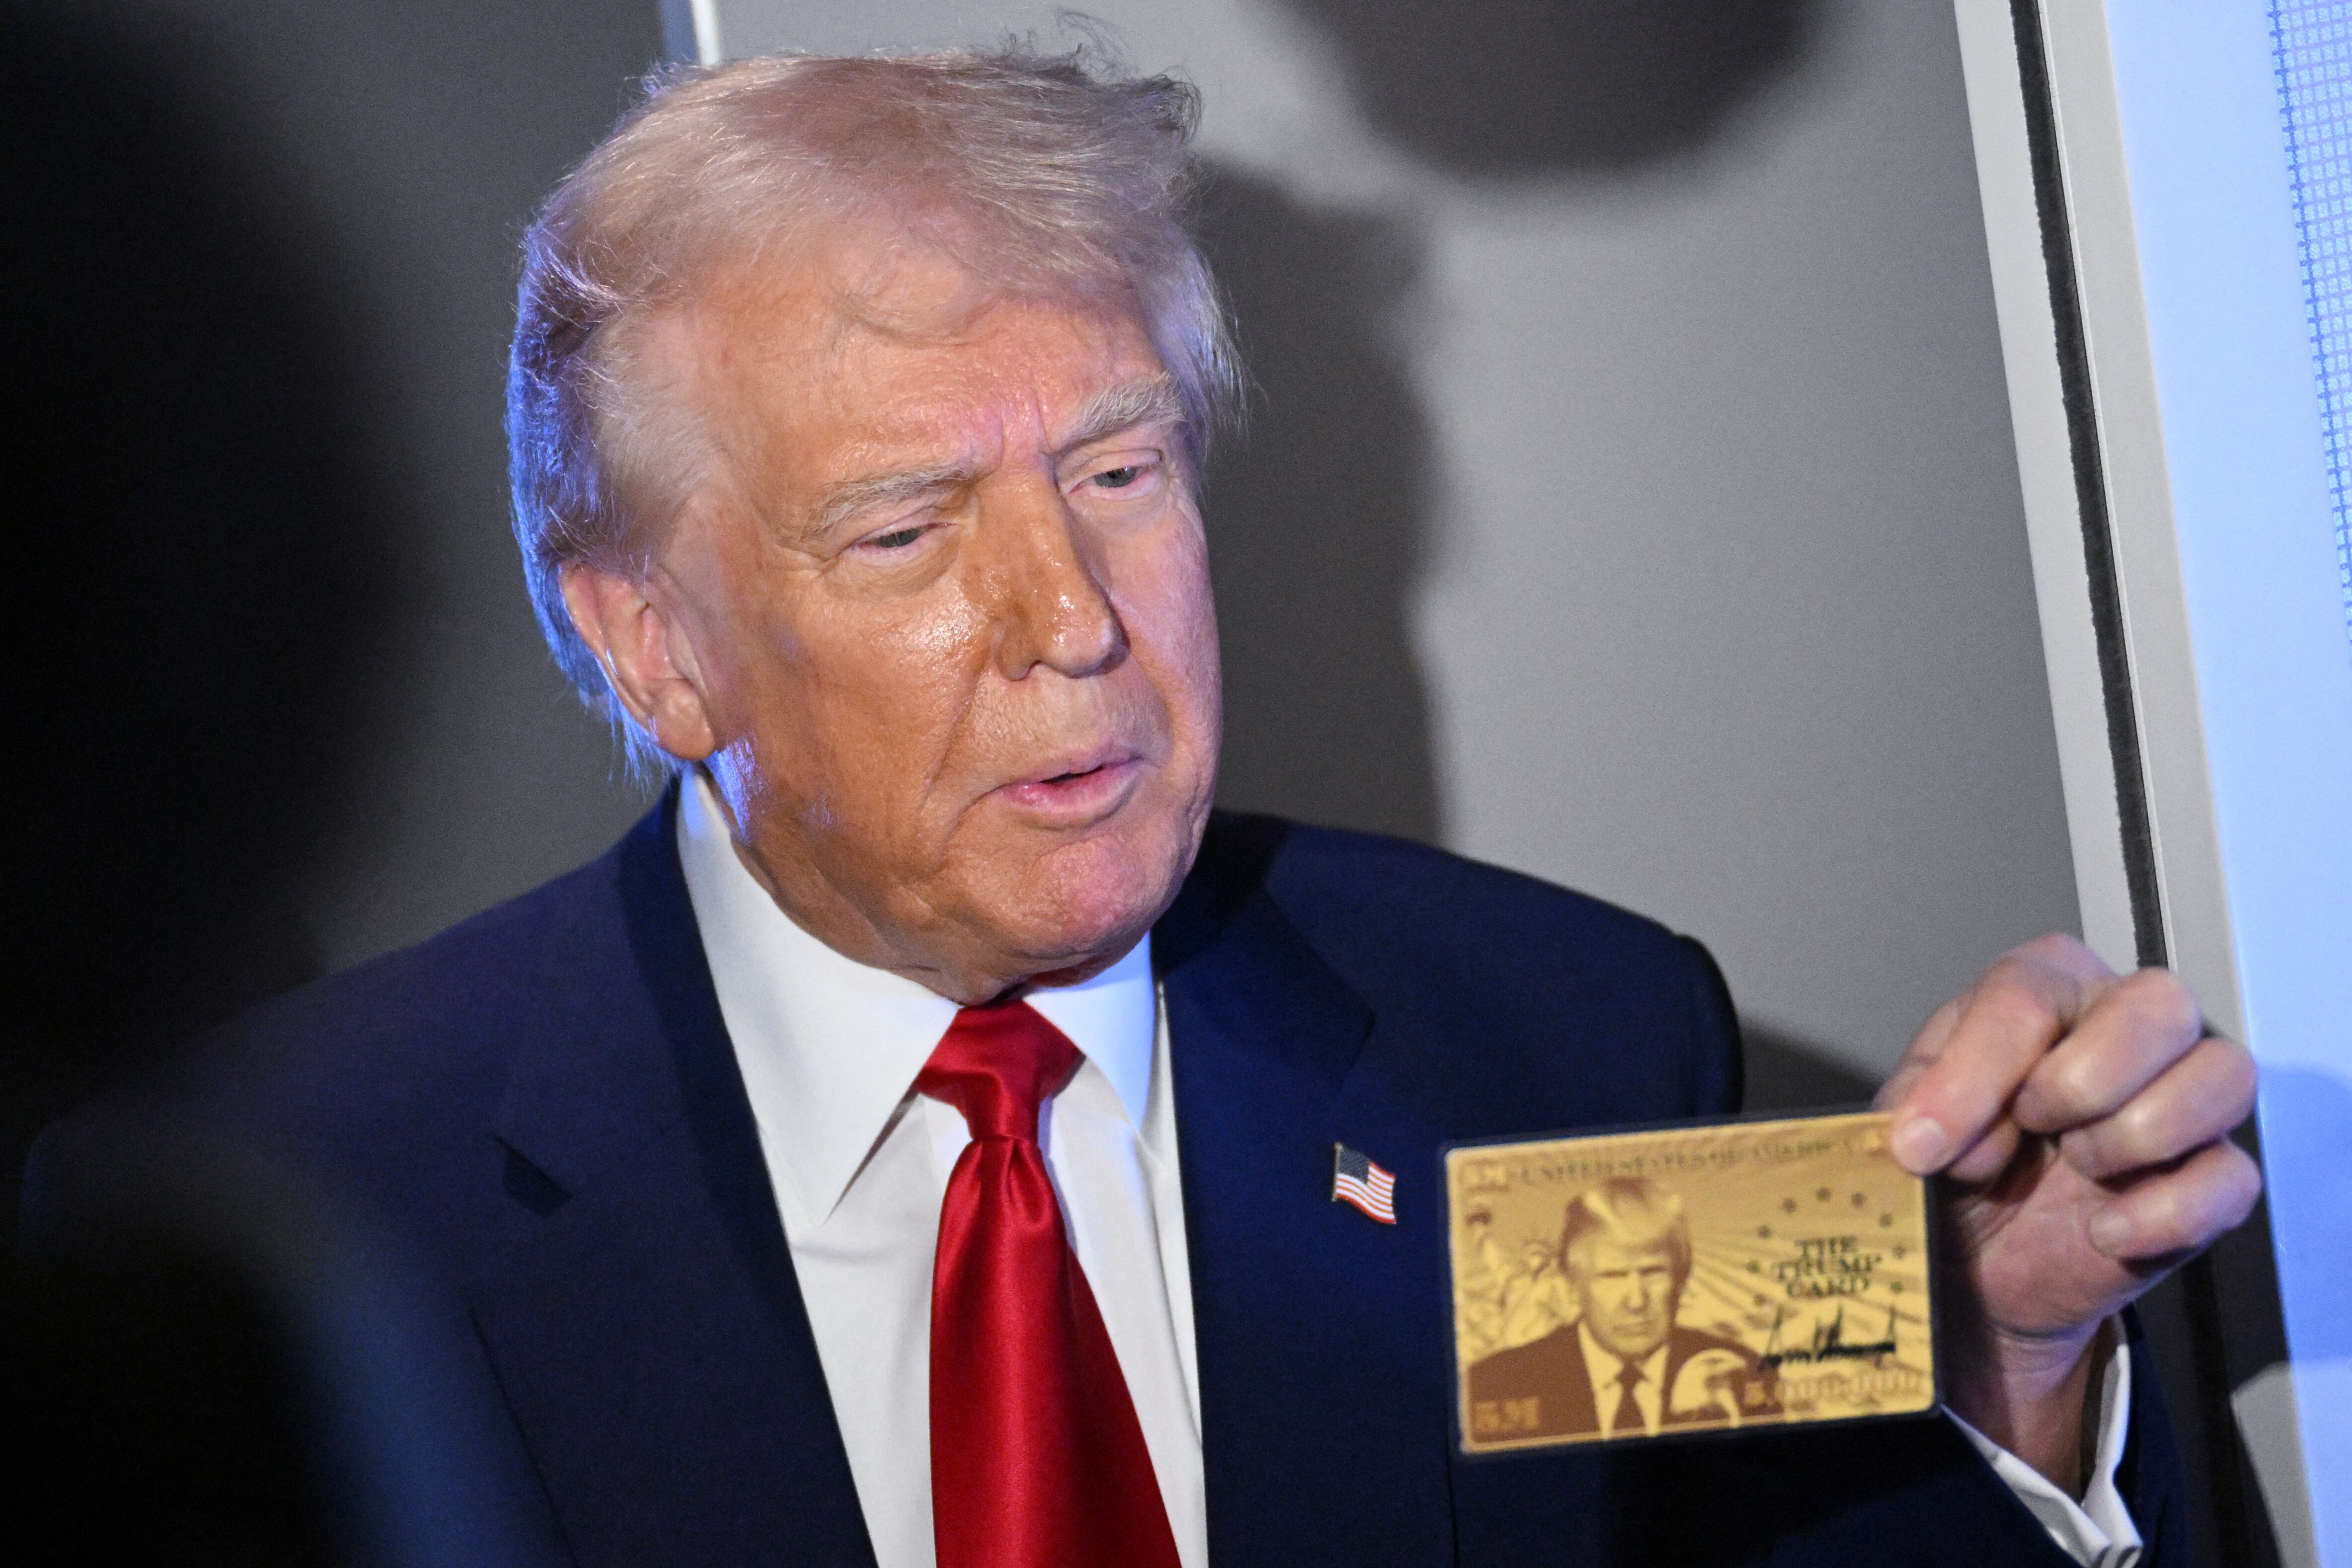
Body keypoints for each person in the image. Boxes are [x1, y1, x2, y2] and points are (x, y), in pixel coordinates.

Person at [23, 48, 2259, 1568]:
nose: (1072, 613)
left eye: (1117, 467)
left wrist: (1996, 1355)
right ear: (649, 641)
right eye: (907, 528)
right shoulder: (309, 1214)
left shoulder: (1540, 1050)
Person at [1467, 1178, 1776, 1441]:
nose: (1636, 1301)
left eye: (1653, 1272)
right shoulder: (1494, 1383)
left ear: (1682, 1278)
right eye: (1612, 1276)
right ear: (1573, 1283)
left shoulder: (1746, 1373)